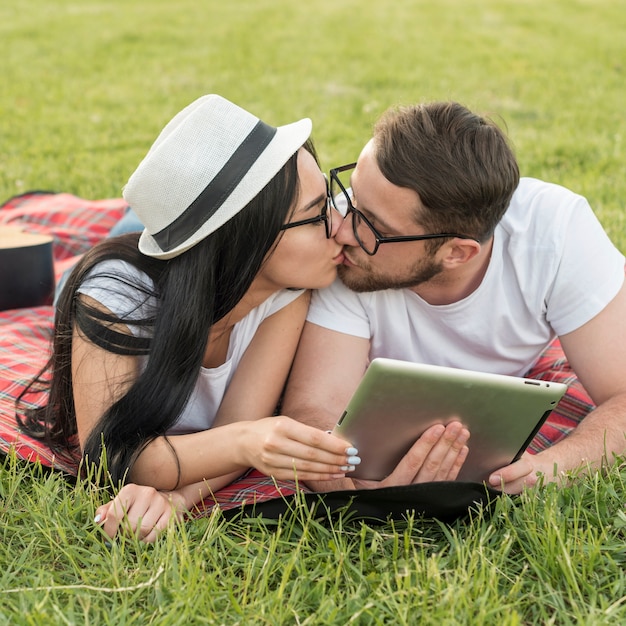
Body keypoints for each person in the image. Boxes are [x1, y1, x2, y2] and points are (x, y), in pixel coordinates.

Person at [17, 94, 383, 537]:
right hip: (146, 275)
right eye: (315, 216)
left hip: (200, 263)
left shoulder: (288, 292)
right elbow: (108, 457)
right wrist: (248, 441)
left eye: (330, 200)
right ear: (248, 237)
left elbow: (234, 429)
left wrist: (178, 498)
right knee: (89, 265)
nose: (342, 226)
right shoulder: (113, 299)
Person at [282, 100, 626, 496]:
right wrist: (346, 485)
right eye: (351, 196)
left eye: (373, 226)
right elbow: (314, 406)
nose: (341, 229)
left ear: (457, 253)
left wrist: (547, 468)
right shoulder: (351, 253)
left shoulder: (556, 233)